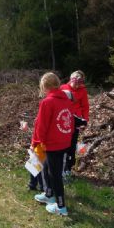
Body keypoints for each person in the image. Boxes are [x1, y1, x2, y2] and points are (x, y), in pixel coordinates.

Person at [32, 72, 74, 216]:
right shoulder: (67, 100)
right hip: (64, 142)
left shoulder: (47, 102)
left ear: (44, 86)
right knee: (47, 168)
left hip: (51, 144)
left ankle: (61, 207)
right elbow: (70, 122)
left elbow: (41, 126)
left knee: (55, 175)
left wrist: (37, 142)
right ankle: (49, 195)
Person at [60, 70, 89, 175]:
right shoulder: (63, 88)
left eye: (79, 83)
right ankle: (60, 167)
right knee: (62, 144)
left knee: (72, 145)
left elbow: (85, 107)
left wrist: (85, 120)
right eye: (75, 83)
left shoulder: (83, 91)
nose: (77, 86)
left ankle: (68, 168)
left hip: (76, 120)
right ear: (70, 80)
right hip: (63, 119)